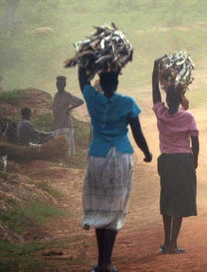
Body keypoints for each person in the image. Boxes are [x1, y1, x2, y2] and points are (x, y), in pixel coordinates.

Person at [79, 65, 153, 272]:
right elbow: (137, 134)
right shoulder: (127, 103)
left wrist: (85, 63)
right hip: (121, 159)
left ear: (100, 84)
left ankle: (100, 262)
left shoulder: (93, 100)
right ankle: (106, 263)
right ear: (117, 83)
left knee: (99, 208)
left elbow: (82, 81)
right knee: (114, 209)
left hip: (97, 159)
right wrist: (147, 153)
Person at [152, 58, 199, 255]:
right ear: (180, 98)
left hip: (167, 161)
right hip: (183, 161)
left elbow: (154, 91)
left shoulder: (160, 113)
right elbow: (195, 141)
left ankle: (166, 242)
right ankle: (173, 243)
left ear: (166, 98)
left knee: (167, 199)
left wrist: (155, 70)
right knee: (180, 201)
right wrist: (194, 162)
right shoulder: (188, 117)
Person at [52, 75, 85, 159]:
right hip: (57, 125)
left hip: (66, 124)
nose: (59, 86)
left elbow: (81, 101)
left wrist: (70, 108)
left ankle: (69, 163)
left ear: (64, 85)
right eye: (58, 84)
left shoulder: (67, 95)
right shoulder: (56, 95)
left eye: (61, 84)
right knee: (57, 147)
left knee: (68, 147)